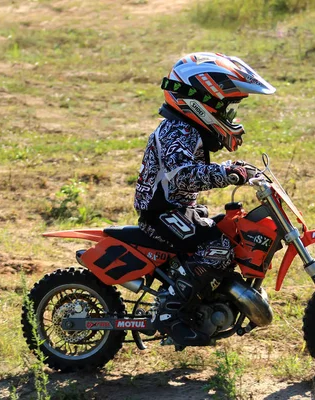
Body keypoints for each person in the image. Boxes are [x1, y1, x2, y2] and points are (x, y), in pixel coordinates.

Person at [133, 52, 276, 346]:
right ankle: (170, 315)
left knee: (227, 234)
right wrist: (228, 173)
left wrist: (244, 171)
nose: (230, 117)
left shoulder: (188, 129)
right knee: (218, 249)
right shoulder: (176, 130)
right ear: (202, 103)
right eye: (226, 108)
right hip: (161, 213)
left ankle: (206, 302)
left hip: (180, 210)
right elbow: (183, 174)